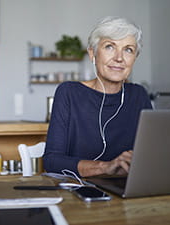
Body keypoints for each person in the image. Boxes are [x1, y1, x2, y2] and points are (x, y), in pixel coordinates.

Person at [43, 16, 152, 178]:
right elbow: (52, 162)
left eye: (128, 49)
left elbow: (152, 156)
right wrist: (105, 167)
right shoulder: (69, 93)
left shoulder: (139, 95)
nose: (119, 58)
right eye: (109, 47)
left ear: (134, 58)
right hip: (79, 192)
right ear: (93, 54)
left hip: (128, 191)